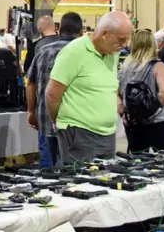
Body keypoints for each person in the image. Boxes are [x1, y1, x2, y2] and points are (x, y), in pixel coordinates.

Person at [45, 11, 133, 164]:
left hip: (108, 134)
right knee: (82, 185)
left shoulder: (112, 53)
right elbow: (52, 95)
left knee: (107, 183)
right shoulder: (74, 51)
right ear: (105, 34)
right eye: (121, 40)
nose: (125, 45)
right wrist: (61, 123)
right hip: (79, 134)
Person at [27, 12, 84, 167]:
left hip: (46, 117)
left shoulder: (43, 51)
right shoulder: (85, 53)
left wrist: (31, 111)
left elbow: (31, 83)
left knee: (48, 164)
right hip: (77, 122)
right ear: (81, 32)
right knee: (75, 168)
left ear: (59, 30)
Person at [118, 30, 164, 152]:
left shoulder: (124, 68)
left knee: (136, 163)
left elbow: (117, 94)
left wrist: (124, 113)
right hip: (158, 122)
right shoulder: (158, 66)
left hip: (133, 123)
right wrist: (151, 109)